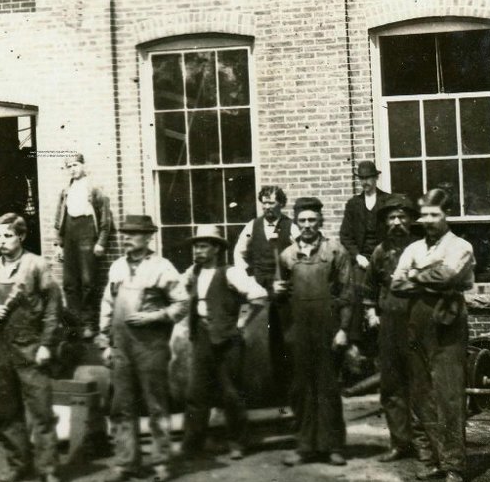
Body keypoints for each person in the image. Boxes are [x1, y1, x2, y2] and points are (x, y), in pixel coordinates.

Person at [393, 188, 475, 482]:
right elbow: (396, 284)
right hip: (416, 322)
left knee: (449, 394)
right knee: (421, 391)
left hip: (447, 321)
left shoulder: (461, 245)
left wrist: (416, 276)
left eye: (434, 214)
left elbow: (450, 277)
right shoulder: (413, 248)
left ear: (446, 215)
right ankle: (433, 460)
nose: (427, 220)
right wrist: (427, 275)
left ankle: (455, 464)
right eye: (424, 214)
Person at [0, 213, 63, 482]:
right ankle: (18, 464)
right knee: (7, 410)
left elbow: (53, 308)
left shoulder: (36, 266)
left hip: (32, 346)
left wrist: (47, 345)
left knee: (41, 409)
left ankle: (48, 468)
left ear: (21, 237)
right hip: (1, 349)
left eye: (8, 235)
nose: (2, 241)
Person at [98, 214, 188, 482]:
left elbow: (182, 304)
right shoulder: (116, 268)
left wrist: (154, 317)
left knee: (156, 405)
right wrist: (105, 342)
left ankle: (161, 462)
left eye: (134, 233)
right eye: (125, 233)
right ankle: (127, 462)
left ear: (148, 236)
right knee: (122, 406)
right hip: (122, 348)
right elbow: (107, 305)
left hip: (151, 347)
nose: (127, 237)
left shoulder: (162, 267)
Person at [276, 197, 354, 467]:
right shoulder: (287, 255)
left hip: (327, 328)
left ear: (320, 221)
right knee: (300, 389)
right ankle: (305, 446)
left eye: (312, 220)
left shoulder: (335, 251)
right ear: (296, 223)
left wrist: (344, 329)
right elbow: (282, 296)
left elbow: (347, 293)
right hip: (299, 331)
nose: (307, 225)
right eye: (302, 221)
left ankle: (333, 447)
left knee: (328, 387)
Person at [180, 225, 267, 461]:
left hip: (228, 340)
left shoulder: (231, 273)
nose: (197, 251)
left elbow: (259, 296)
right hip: (201, 338)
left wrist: (241, 322)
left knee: (231, 393)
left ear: (216, 249)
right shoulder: (193, 273)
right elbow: (179, 290)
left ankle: (238, 442)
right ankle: (193, 443)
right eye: (195, 246)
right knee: (196, 393)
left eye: (203, 246)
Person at [362, 194, 427, 463]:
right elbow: (369, 288)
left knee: (420, 383)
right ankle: (400, 443)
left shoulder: (422, 248)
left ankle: (424, 443)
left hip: (416, 324)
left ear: (411, 220)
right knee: (392, 385)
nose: (397, 222)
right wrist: (370, 313)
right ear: (385, 222)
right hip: (389, 323)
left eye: (402, 217)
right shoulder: (380, 252)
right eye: (392, 218)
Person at [53, 152, 114, 339]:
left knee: (88, 281)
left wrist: (101, 242)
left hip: (88, 234)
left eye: (76, 165)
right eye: (69, 166)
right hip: (70, 235)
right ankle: (74, 324)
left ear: (83, 166)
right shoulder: (65, 191)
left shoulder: (94, 189)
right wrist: (58, 244)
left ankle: (88, 324)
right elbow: (59, 219)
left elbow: (105, 219)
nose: (73, 169)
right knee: (70, 283)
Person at [340, 161, 389, 343]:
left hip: (383, 259)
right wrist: (357, 256)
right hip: (361, 260)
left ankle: (384, 340)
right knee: (357, 296)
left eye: (369, 178)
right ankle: (358, 344)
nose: (365, 182)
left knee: (384, 296)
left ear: (376, 178)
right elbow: (345, 235)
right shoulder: (353, 204)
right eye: (362, 178)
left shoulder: (387, 201)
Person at [233, 185, 298, 288]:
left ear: (281, 203)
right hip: (259, 286)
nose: (267, 207)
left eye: (271, 203)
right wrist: (246, 277)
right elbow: (240, 252)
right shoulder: (252, 226)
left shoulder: (291, 227)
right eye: (264, 203)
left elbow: (300, 254)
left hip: (283, 286)